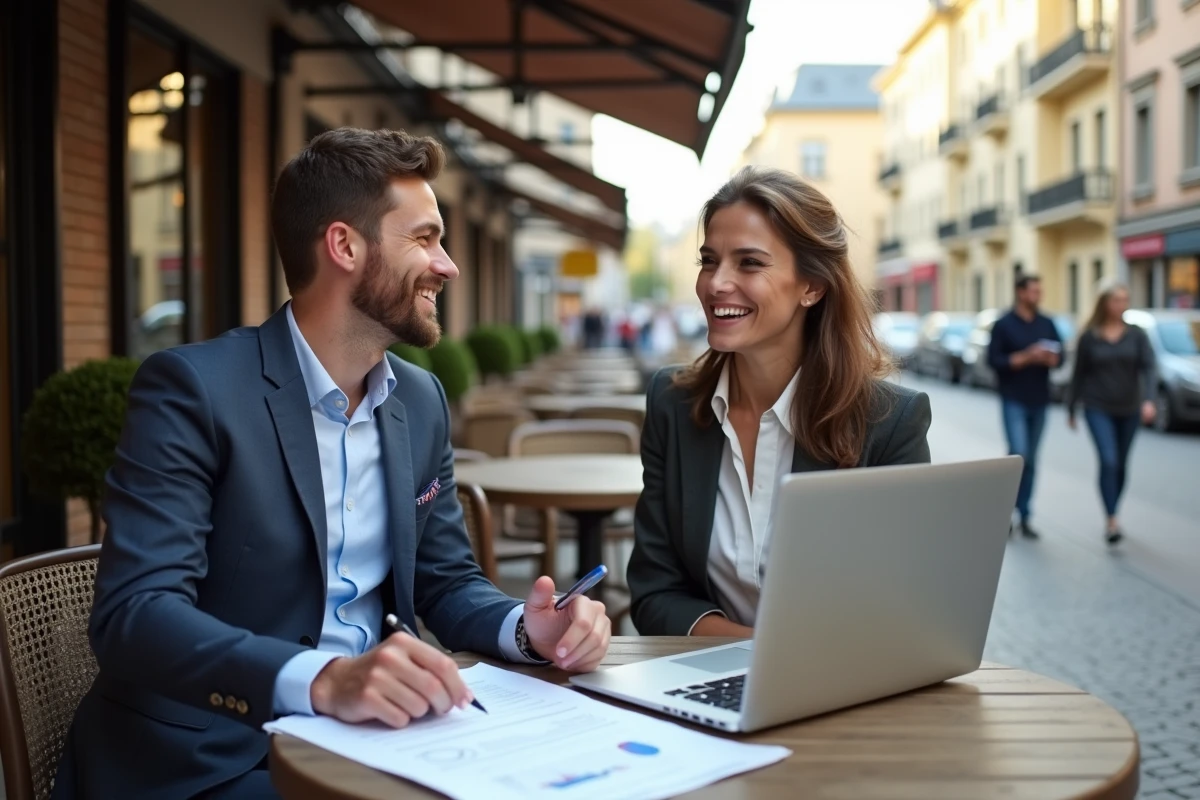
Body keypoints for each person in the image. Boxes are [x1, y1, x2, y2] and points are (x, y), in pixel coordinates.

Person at [52, 128, 611, 800]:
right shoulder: (193, 390)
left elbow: (445, 580)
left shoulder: (421, 399)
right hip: (204, 762)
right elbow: (134, 614)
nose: (448, 266)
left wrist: (525, 628)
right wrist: (321, 679)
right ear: (345, 246)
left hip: (372, 743)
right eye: (426, 238)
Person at [626, 166, 932, 638]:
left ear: (812, 286)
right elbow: (654, 593)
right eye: (709, 261)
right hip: (701, 685)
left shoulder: (889, 423)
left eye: (749, 263)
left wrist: (776, 664)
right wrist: (762, 654)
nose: (715, 284)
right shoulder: (673, 403)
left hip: (841, 693)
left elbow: (900, 611)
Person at [1065, 282, 1156, 545]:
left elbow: (1149, 368)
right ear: (1105, 302)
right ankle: (1112, 519)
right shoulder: (1090, 336)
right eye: (1116, 300)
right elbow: (1078, 374)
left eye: (1125, 299)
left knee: (1122, 464)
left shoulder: (1137, 335)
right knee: (1109, 460)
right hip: (1097, 407)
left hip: (1129, 408)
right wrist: (1071, 408)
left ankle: (1113, 507)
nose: (1121, 305)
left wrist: (1149, 400)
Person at [986, 274, 1062, 540]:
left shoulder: (1047, 323)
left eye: (1040, 291)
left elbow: (1060, 357)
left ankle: (1025, 514)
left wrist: (1052, 358)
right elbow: (994, 360)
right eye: (1033, 291)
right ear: (1020, 293)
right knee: (1019, 454)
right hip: (1013, 398)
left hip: (1040, 400)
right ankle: (1006, 513)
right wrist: (1027, 356)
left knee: (1031, 459)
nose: (1038, 296)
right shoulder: (1004, 324)